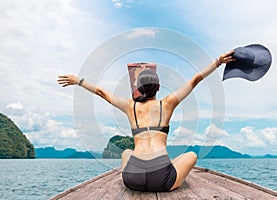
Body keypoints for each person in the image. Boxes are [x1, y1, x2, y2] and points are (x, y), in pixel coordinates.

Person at [57, 50, 235, 192]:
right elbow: (195, 79)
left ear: (138, 89)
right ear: (158, 88)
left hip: (132, 179)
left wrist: (78, 81)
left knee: (127, 151)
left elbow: (101, 93)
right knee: (191, 155)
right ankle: (166, 167)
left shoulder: (130, 106)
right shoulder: (167, 104)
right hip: (161, 179)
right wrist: (218, 62)